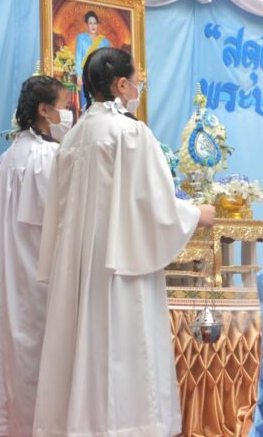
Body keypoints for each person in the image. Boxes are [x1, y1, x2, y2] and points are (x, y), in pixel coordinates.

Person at [33, 47, 216, 437]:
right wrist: (195, 215)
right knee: (123, 352)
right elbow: (153, 205)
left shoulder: (73, 139)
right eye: (136, 79)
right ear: (120, 84)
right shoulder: (130, 133)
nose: (139, 86)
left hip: (79, 267)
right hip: (120, 264)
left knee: (80, 352)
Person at [0, 75, 71, 437]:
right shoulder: (47, 157)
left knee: (10, 357)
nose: (68, 114)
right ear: (45, 110)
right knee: (38, 357)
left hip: (7, 275)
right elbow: (65, 220)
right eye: (64, 107)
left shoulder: (9, 156)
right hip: (39, 276)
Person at [74, 11, 110, 107]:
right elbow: (78, 57)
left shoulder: (104, 41)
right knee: (86, 102)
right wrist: (78, 75)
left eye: (95, 23)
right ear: (87, 25)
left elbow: (106, 61)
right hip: (85, 74)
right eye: (90, 23)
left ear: (97, 25)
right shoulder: (81, 38)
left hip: (99, 75)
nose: (93, 26)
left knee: (99, 102)